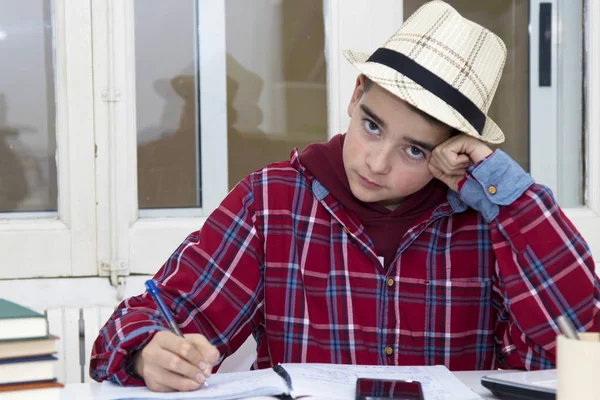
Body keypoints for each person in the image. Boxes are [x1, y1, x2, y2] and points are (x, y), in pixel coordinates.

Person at [90, 0, 600, 392]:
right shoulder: (272, 201)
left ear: (452, 152)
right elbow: (150, 317)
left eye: (416, 151)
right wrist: (147, 350)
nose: (377, 163)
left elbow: (577, 344)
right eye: (372, 126)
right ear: (355, 96)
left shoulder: (490, 216)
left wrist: (503, 189)